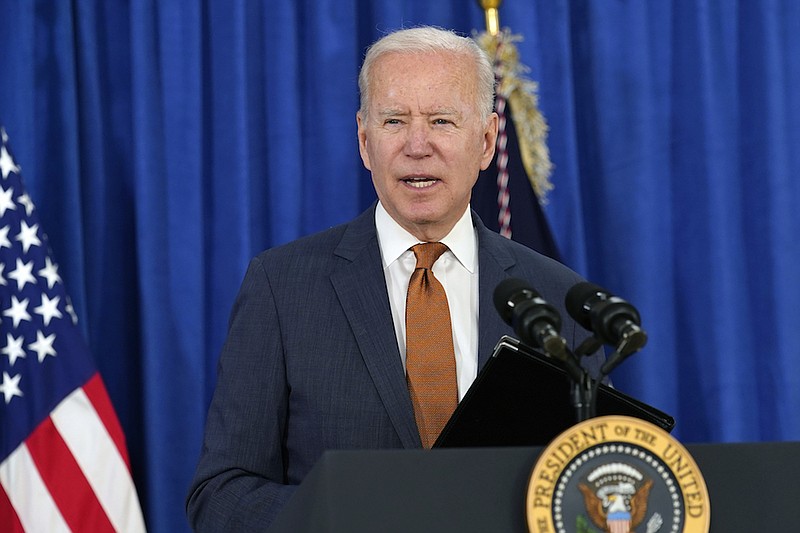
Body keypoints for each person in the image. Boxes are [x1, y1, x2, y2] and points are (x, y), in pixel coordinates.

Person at [186, 26, 603, 530]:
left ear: (488, 140)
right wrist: (351, 517)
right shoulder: (282, 288)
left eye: (442, 121)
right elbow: (221, 494)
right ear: (365, 141)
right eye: (394, 121)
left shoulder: (557, 300)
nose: (417, 145)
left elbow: (590, 486)